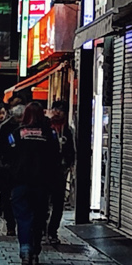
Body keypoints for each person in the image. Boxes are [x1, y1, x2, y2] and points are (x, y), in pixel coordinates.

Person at [0, 102, 64, 265]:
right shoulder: (50, 134)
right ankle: (35, 251)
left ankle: (25, 250)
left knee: (23, 218)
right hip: (42, 184)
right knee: (39, 217)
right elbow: (56, 157)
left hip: (20, 183)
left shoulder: (16, 133)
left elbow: (5, 155)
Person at [45, 103, 75, 247]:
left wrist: (69, 166)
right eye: (55, 110)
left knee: (58, 204)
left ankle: (52, 231)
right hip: (46, 171)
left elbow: (71, 151)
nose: (57, 113)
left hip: (60, 172)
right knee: (44, 202)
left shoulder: (68, 130)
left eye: (60, 110)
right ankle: (43, 229)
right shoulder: (46, 127)